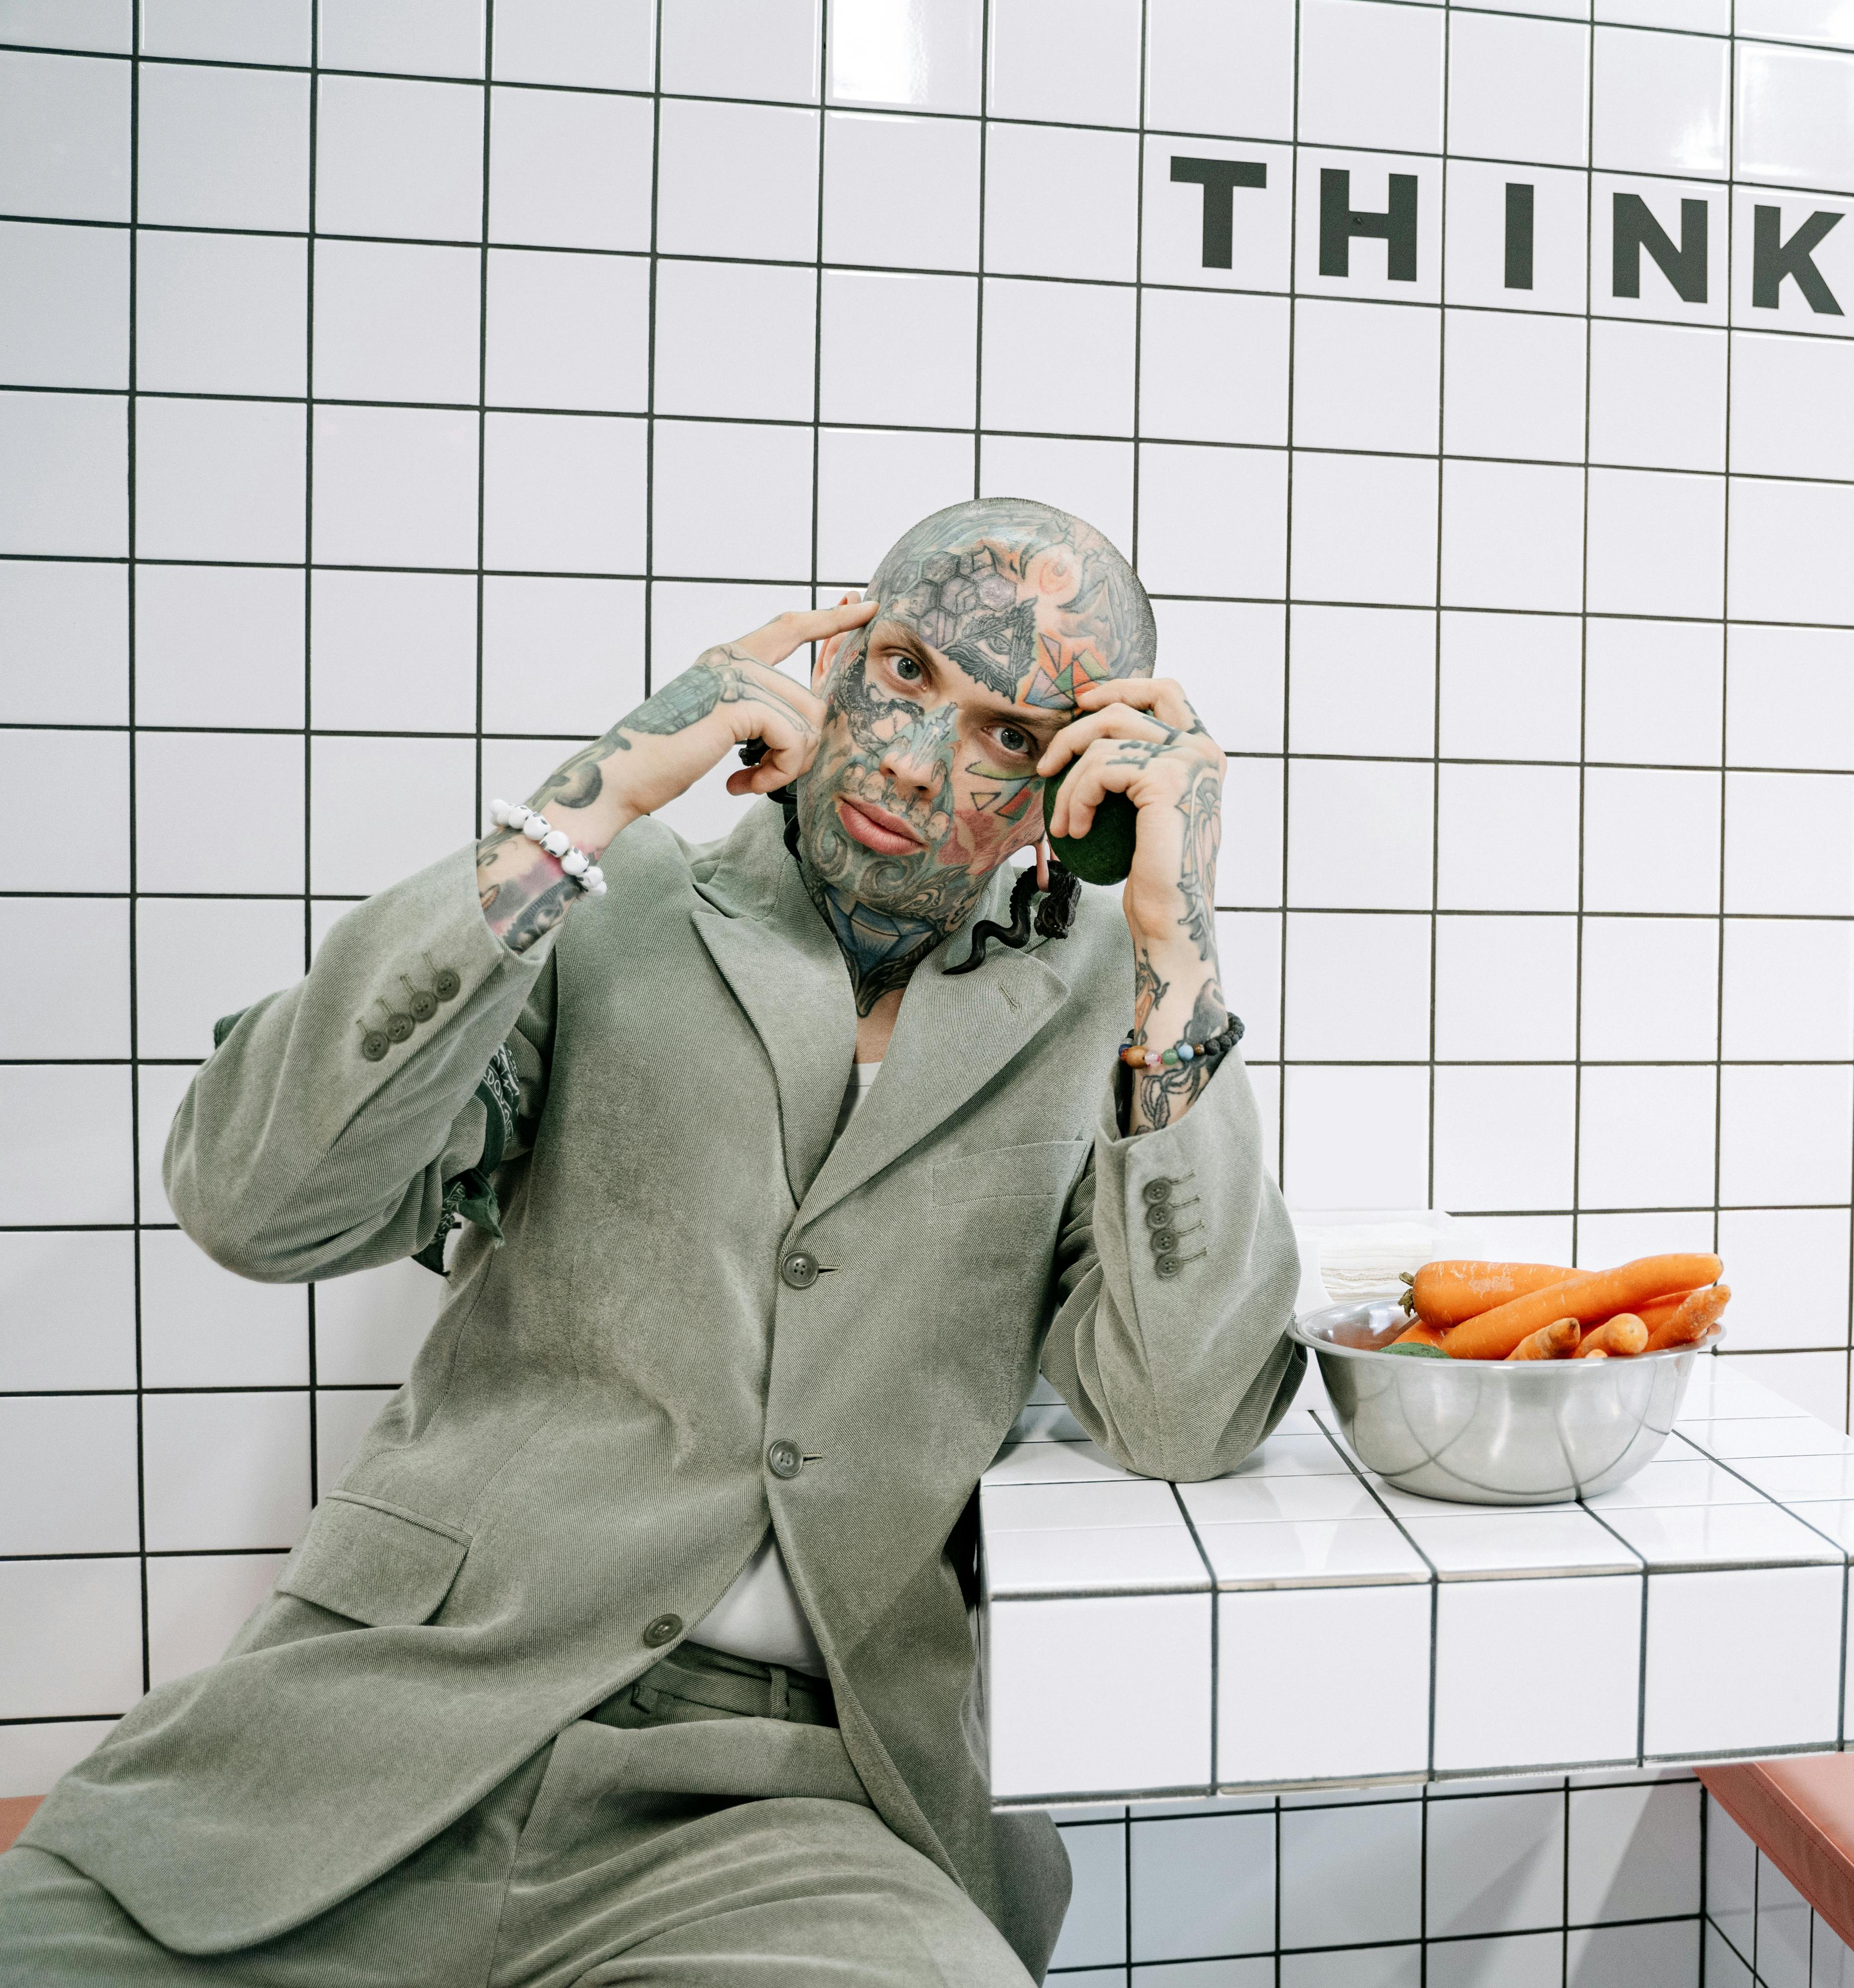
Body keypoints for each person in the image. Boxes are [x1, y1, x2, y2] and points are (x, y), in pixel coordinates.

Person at [0, 498, 1302, 1983]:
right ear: (833, 652)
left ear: (1083, 781)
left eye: (1011, 735)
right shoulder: (606, 916)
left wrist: (1175, 945)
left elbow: (1188, 1414)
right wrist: (583, 811)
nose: (913, 760)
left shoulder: (1101, 1017)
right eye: (904, 673)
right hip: (387, 1719)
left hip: (794, 1813)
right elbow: (254, 1200)